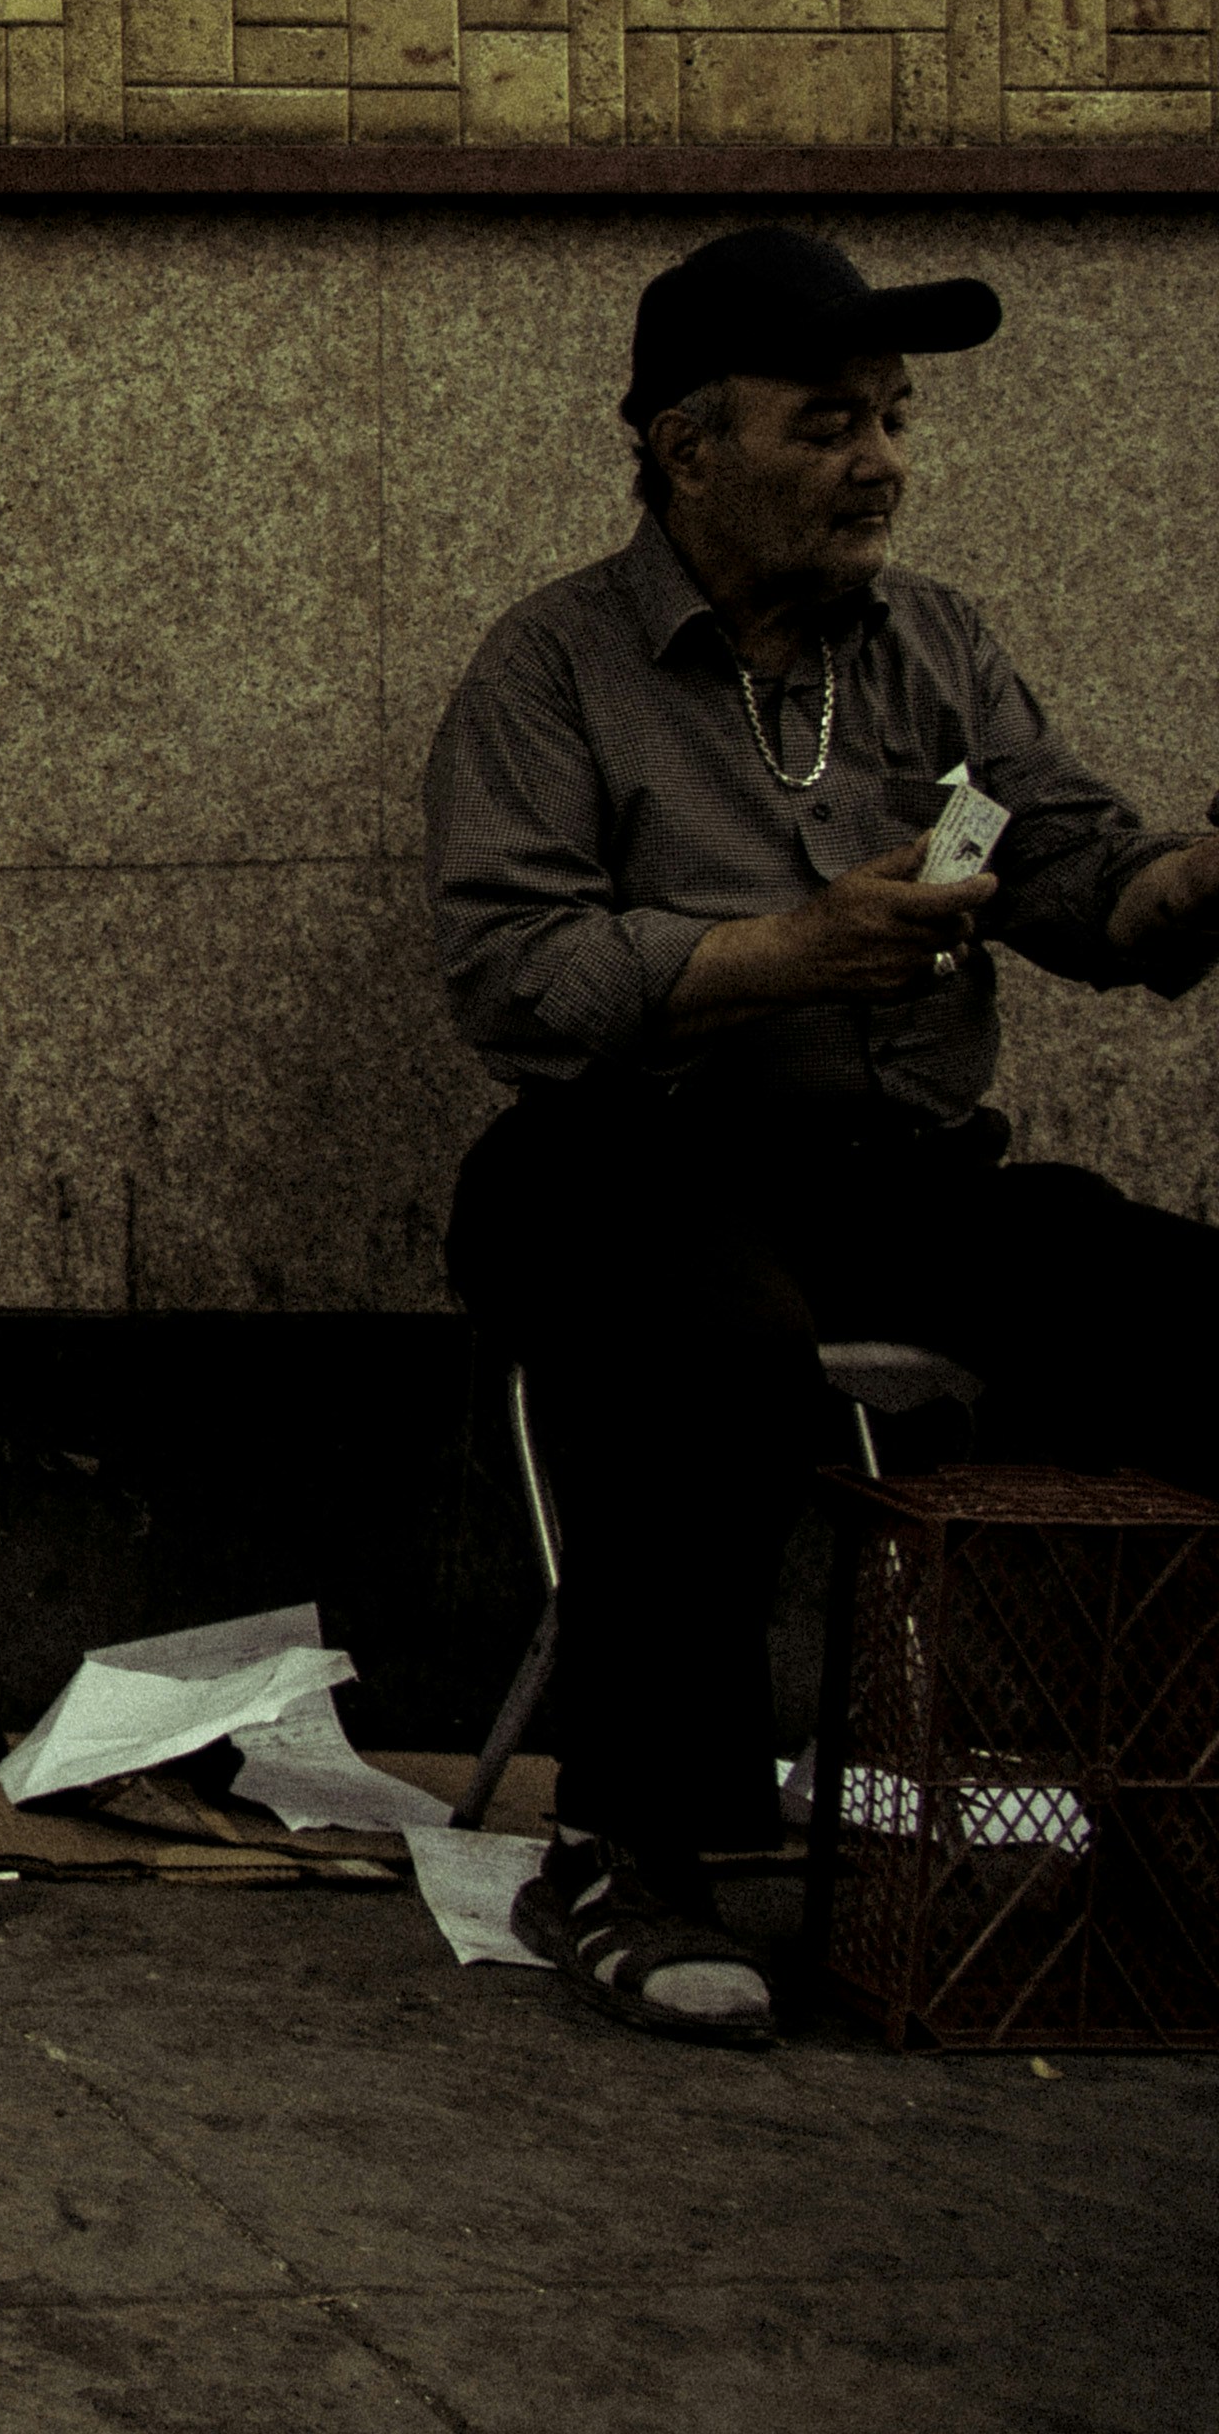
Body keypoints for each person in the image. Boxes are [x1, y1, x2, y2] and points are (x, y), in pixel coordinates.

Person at [420, 226, 1219, 2045]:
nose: (883, 464)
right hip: (628, 1161)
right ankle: (631, 1850)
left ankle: (1162, 1832)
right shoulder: (556, 666)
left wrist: (1188, 884)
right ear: (686, 446)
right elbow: (511, 971)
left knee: (1175, 1309)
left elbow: (1077, 873)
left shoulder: (934, 645)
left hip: (896, 1176)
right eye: (829, 422)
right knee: (716, 1348)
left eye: (896, 420)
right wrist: (789, 953)